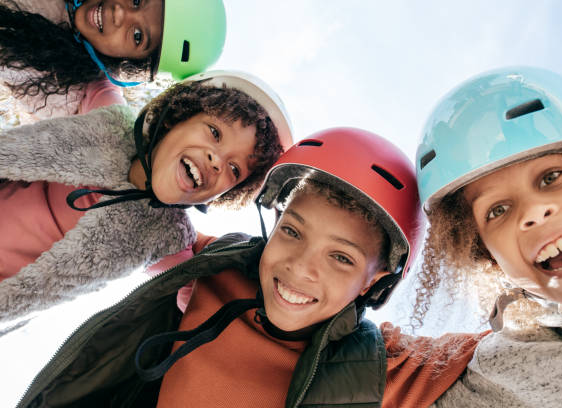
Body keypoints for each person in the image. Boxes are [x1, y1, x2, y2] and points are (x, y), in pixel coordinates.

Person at [15, 128, 486, 408]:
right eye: (293, 232)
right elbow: (144, 208)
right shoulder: (214, 265)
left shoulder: (387, 364)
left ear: (379, 279)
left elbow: (521, 345)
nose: (299, 269)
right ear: (273, 222)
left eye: (341, 257)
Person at [0, 70, 293, 323]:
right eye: (214, 132)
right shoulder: (111, 122)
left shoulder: (169, 240)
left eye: (234, 168)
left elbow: (198, 305)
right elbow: (89, 71)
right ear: (174, 119)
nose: (217, 162)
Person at [414, 66, 562, 407]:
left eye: (551, 177)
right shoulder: (494, 376)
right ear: (488, 256)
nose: (534, 212)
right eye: (497, 211)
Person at [0, 0, 226, 119]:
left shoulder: (68, 90)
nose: (119, 12)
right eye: (137, 0)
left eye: (138, 36)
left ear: (130, 64)